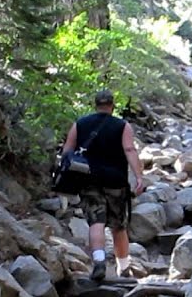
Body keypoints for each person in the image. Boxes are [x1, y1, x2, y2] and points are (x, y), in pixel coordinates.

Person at [60, 89, 146, 281]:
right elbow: (129, 149)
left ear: (95, 105)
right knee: (118, 226)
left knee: (96, 222)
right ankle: (123, 268)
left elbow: (67, 152)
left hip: (88, 179)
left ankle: (99, 261)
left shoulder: (80, 124)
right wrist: (139, 176)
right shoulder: (122, 126)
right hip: (115, 181)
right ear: (112, 106)